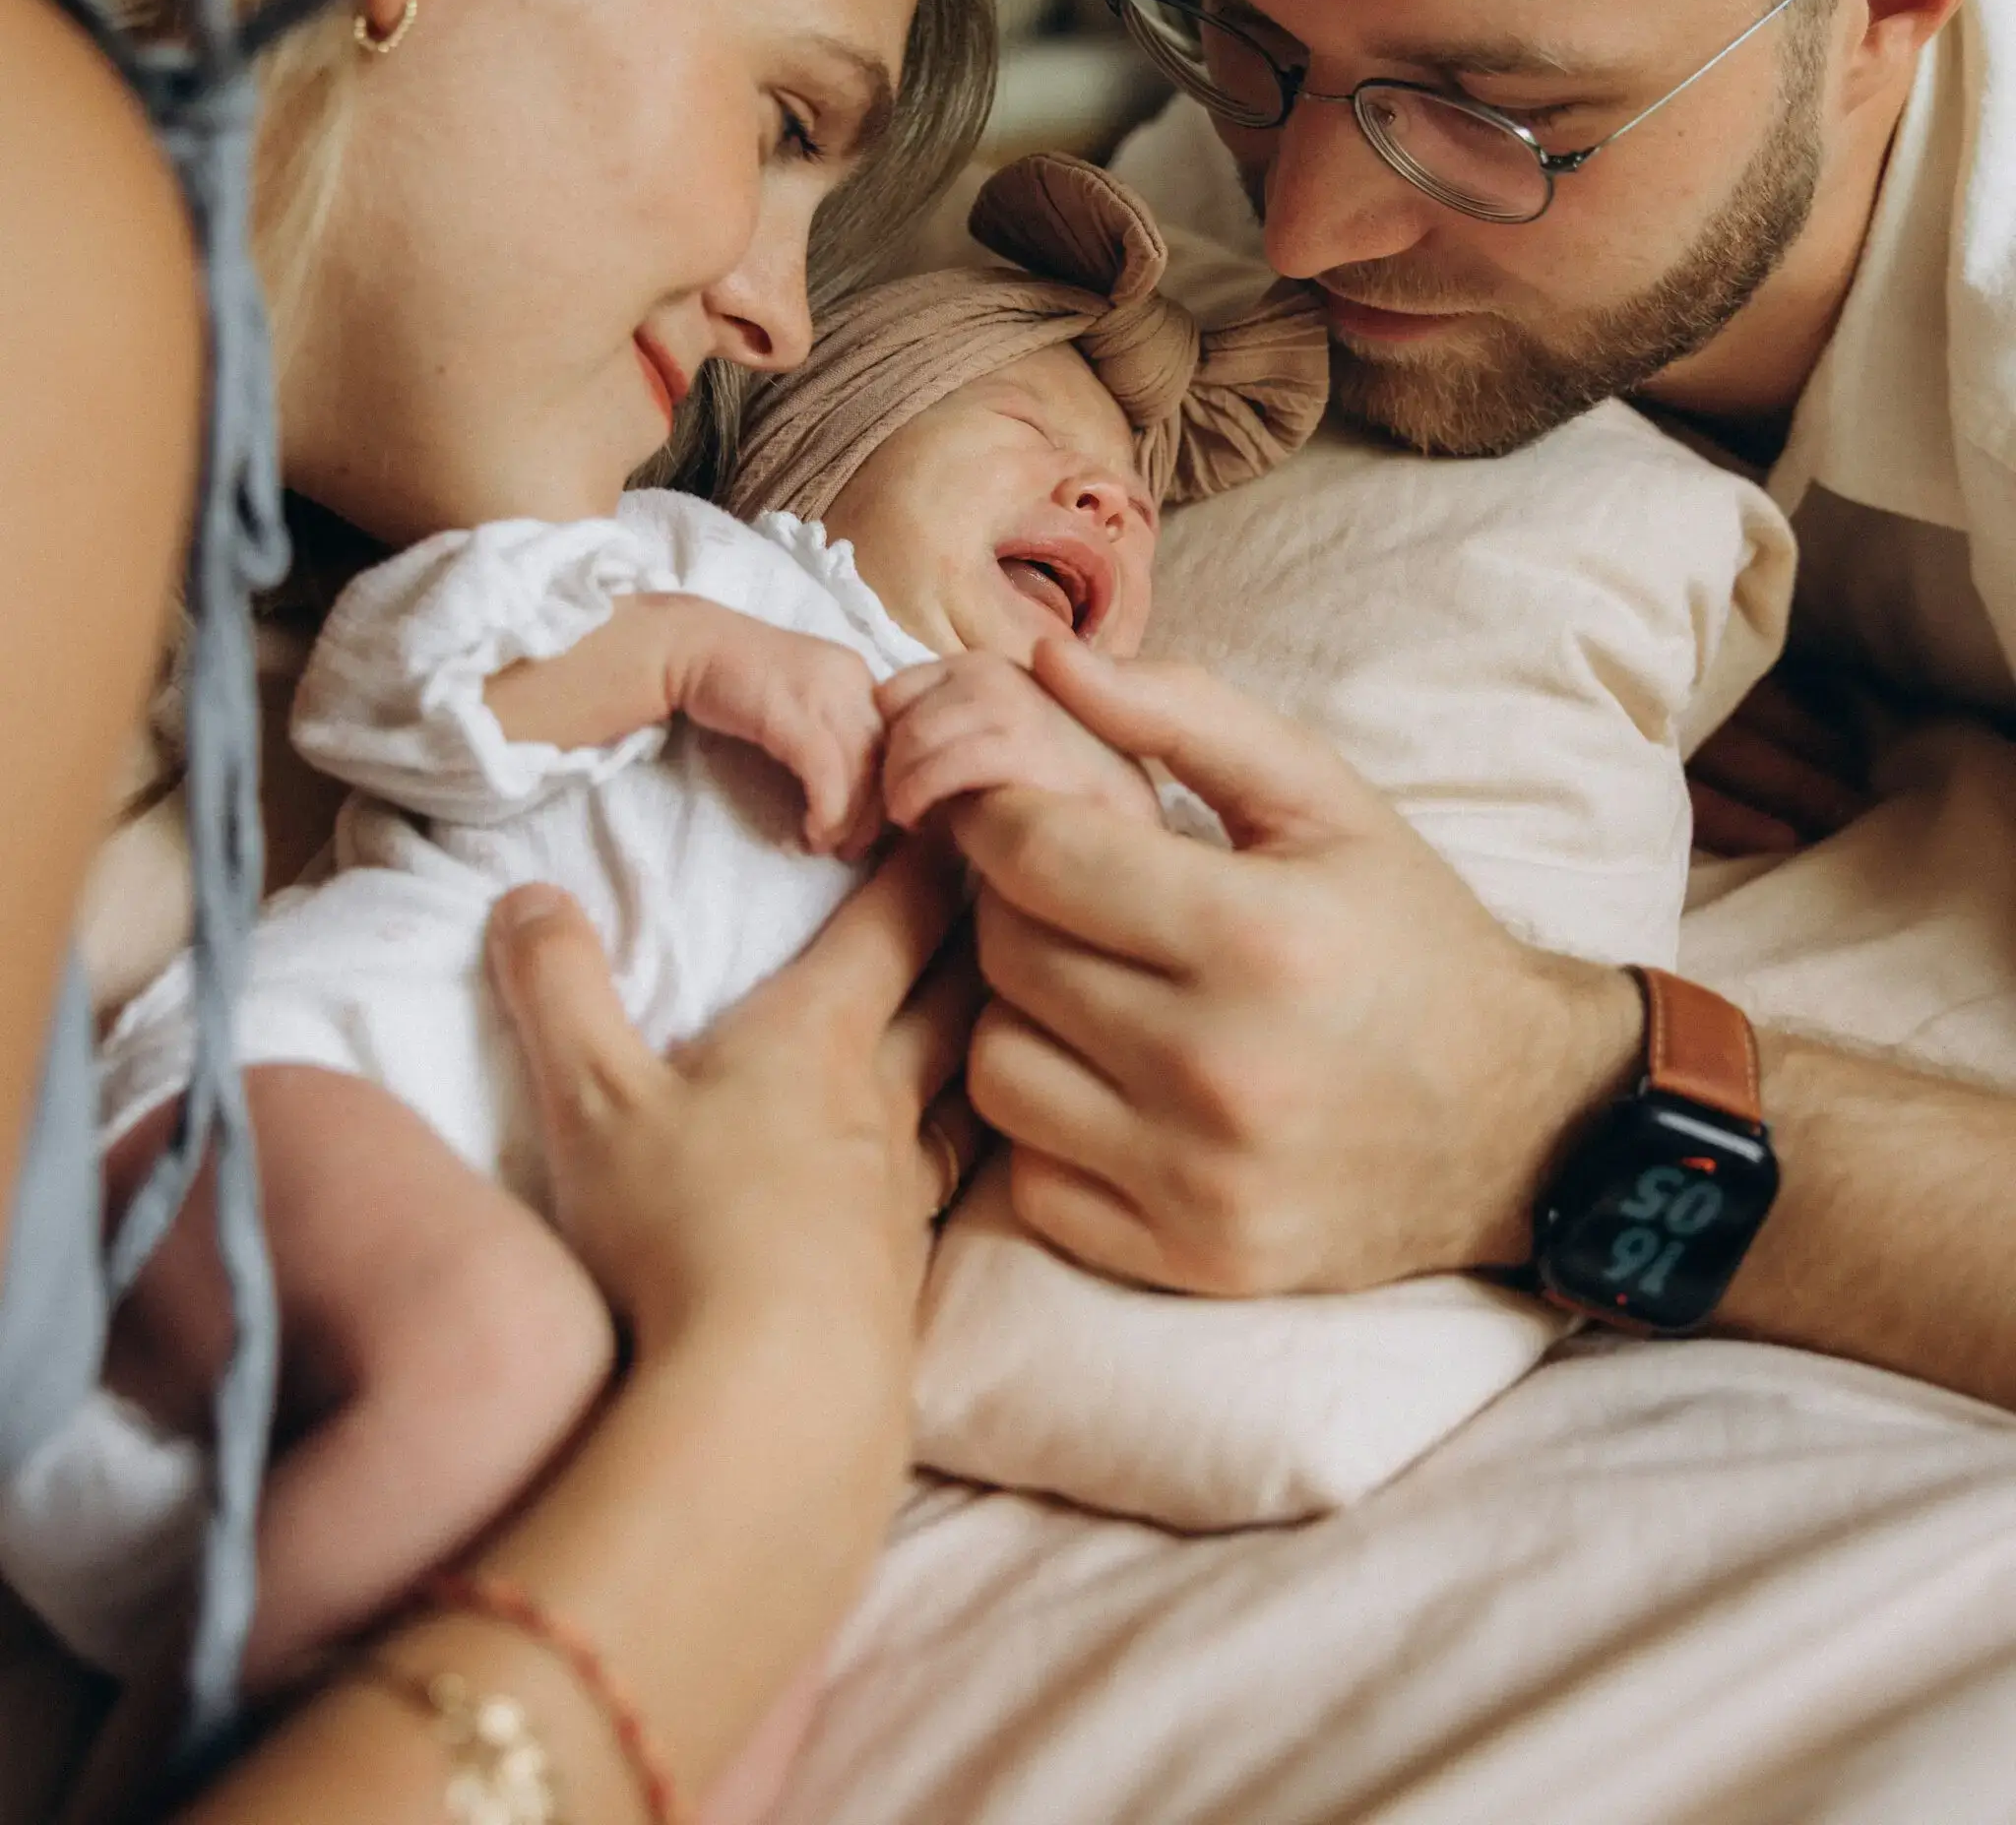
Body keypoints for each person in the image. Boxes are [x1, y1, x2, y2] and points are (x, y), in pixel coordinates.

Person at [0, 0, 1001, 1818]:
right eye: (783, 122)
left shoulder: (206, 628)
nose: (777, 301)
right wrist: (771, 1417)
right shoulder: (44, 191)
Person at [942, 0, 2016, 1415]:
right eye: (1246, 31)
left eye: (1491, 111)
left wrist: (1558, 1107)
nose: (1317, 230)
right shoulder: (1285, 123)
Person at [10, 157, 1322, 1696]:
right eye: (1032, 437)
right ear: (834, 448)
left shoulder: (1074, 800)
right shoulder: (688, 564)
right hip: (302, 1103)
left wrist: (1079, 821)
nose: (1108, 500)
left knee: (727, 1670)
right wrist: (680, 656)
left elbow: (1140, 1052)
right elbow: (374, 691)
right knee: (497, 1350)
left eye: (1137, 509)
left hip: (552, 1369)